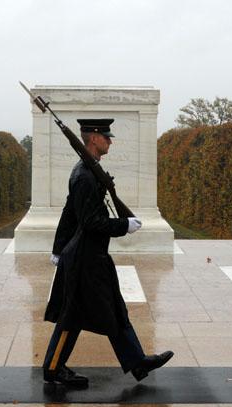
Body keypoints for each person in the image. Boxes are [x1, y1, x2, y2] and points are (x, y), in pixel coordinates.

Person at [42, 118, 173, 388]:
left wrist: (58, 247)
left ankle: (137, 362)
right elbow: (89, 222)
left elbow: (70, 214)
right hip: (84, 260)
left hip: (94, 257)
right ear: (92, 138)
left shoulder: (90, 172)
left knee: (115, 309)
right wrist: (123, 225)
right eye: (106, 137)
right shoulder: (84, 177)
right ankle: (53, 368)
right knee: (71, 315)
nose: (110, 141)